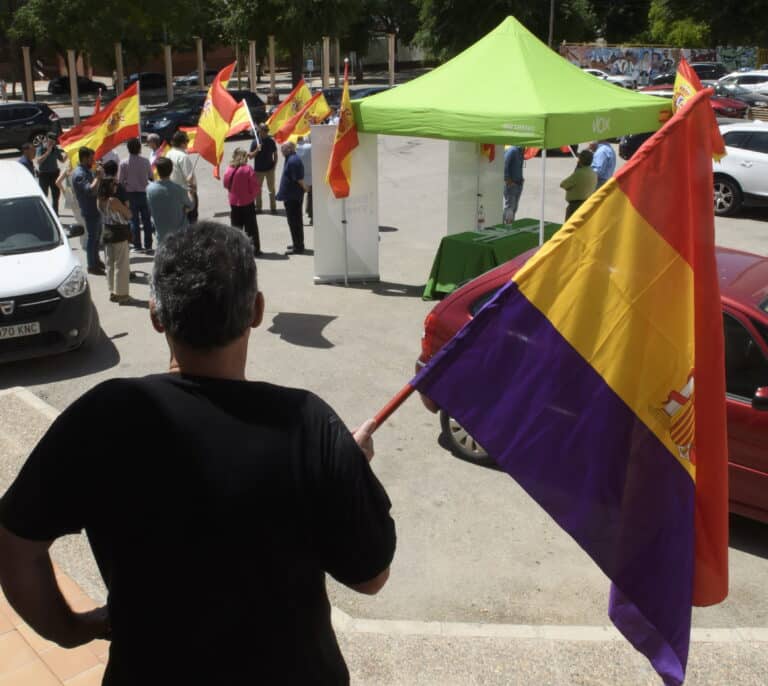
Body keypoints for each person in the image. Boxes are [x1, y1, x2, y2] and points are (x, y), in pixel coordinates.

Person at [0, 220, 396, 685]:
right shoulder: (308, 423)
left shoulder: (104, 416)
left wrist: (70, 630)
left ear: (155, 316)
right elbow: (370, 577)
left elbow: (14, 546)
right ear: (256, 311)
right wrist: (345, 467)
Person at [97, 175, 133, 303]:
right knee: (121, 265)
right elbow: (128, 215)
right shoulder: (113, 201)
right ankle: (122, 294)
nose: (116, 187)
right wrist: (126, 207)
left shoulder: (99, 200)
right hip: (119, 233)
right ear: (109, 186)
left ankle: (112, 291)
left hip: (107, 232)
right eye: (114, 184)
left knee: (110, 264)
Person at [71, 147, 105, 275]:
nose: (93, 160)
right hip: (90, 210)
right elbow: (90, 190)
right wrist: (97, 177)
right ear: (85, 158)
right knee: (92, 238)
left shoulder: (86, 170)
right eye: (91, 158)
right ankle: (91, 265)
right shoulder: (80, 174)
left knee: (96, 238)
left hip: (95, 209)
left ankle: (96, 260)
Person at [146, 157, 194, 244]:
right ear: (171, 170)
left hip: (161, 233)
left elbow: (149, 207)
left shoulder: (149, 189)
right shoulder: (178, 189)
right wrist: (191, 192)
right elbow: (191, 205)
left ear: (157, 170)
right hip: (179, 234)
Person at [223, 147, 262, 255]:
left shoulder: (229, 169)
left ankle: (236, 251)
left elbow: (226, 184)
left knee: (236, 228)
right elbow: (255, 187)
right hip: (247, 202)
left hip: (234, 202)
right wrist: (251, 195)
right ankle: (255, 250)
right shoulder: (247, 169)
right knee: (251, 228)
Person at [118, 138, 154, 252]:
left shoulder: (123, 163)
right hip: (144, 193)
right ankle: (148, 245)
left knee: (134, 221)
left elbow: (120, 181)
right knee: (147, 220)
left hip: (130, 195)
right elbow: (151, 177)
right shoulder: (145, 161)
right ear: (139, 148)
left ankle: (137, 245)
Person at [276, 141, 307, 255]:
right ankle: (297, 243)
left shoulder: (293, 161)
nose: (281, 151)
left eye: (283, 149)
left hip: (293, 197)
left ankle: (298, 246)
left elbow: (299, 178)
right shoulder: (290, 158)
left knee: (295, 222)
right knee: (294, 221)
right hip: (291, 196)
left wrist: (305, 188)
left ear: (289, 149)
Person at [166, 130, 198, 223]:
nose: (188, 143)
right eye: (187, 141)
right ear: (182, 143)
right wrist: (193, 191)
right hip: (185, 193)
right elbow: (189, 178)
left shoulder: (169, 153)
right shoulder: (183, 157)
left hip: (173, 191)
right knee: (191, 220)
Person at [559, 150, 598, 220]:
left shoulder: (579, 173)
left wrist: (576, 170)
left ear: (581, 160)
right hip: (586, 203)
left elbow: (563, 184)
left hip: (575, 205)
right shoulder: (593, 173)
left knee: (569, 228)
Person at [248, 123, 278, 214]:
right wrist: (257, 149)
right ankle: (258, 208)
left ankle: (273, 208)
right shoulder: (255, 142)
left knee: (271, 189)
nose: (266, 132)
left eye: (267, 130)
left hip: (269, 170)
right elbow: (250, 156)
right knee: (258, 190)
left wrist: (274, 166)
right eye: (265, 130)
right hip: (258, 171)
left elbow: (275, 154)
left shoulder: (271, 141)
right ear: (259, 131)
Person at [35, 132, 66, 214]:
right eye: (51, 141)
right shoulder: (41, 148)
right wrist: (47, 152)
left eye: (54, 142)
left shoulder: (55, 149)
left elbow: (62, 160)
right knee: (44, 195)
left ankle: (55, 213)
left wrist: (68, 153)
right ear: (47, 139)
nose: (53, 143)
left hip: (54, 174)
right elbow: (38, 161)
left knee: (56, 196)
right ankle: (44, 213)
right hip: (44, 175)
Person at [503, 145, 524, 223]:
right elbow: (505, 164)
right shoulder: (513, 150)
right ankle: (506, 226)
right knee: (510, 207)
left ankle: (509, 224)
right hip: (512, 184)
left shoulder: (520, 151)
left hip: (518, 183)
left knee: (514, 208)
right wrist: (507, 179)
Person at [296, 136, 313, 224]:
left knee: (299, 199)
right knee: (311, 198)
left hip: (300, 178)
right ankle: (311, 216)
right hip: (311, 177)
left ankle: (299, 218)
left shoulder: (295, 148)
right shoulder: (311, 147)